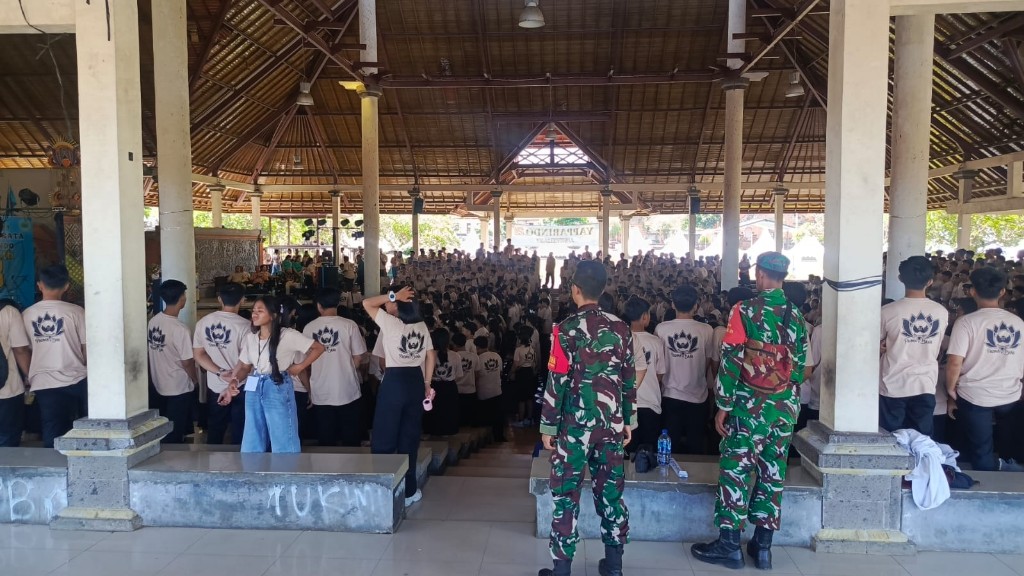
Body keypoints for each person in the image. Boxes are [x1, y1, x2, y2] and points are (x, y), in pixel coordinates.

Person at [692, 251, 807, 571]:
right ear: (782, 276)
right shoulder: (796, 316)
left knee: (736, 470)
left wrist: (724, 405)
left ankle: (729, 545)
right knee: (773, 474)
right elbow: (799, 369)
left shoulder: (745, 310)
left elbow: (730, 361)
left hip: (748, 407)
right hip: (783, 410)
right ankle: (763, 546)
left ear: (758, 274)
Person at [537, 260, 637, 576]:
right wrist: (628, 422)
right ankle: (614, 565)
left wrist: (548, 426)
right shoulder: (622, 329)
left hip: (573, 428)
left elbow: (557, 382)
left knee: (566, 494)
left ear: (575, 290)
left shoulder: (564, 330)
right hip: (611, 425)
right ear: (603, 289)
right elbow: (628, 379)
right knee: (611, 491)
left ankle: (562, 568)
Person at [946, 266, 1024, 471]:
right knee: (1008, 443)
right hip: (1011, 393)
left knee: (981, 448)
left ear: (972, 291)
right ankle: (1009, 475)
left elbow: (955, 362)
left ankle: (987, 482)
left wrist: (951, 391)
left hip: (975, 395)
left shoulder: (965, 322)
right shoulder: (1018, 322)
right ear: (1002, 292)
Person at [364, 285, 436, 506]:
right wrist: (427, 383)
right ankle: (409, 492)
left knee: (385, 438)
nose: (386, 303)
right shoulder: (421, 326)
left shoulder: (390, 323)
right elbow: (430, 356)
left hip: (394, 380)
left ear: (397, 303)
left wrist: (392, 295)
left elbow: (367, 303)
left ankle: (382, 491)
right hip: (415, 380)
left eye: (390, 300)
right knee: (409, 437)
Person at [226, 296, 324, 453]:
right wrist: (235, 380)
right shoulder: (251, 338)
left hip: (277, 383)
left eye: (260, 311)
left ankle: (286, 474)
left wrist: (300, 367)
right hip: (254, 382)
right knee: (252, 432)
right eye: (253, 311)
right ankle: (253, 472)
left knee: (283, 433)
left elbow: (318, 348)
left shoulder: (288, 335)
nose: (254, 314)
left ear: (273, 315)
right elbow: (245, 366)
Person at [879, 256, 948, 436]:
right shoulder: (941, 312)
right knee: (922, 440)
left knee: (891, 439)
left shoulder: (888, 311)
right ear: (931, 281)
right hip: (925, 383)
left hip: (893, 383)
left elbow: (874, 344)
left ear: (901, 278)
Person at [22, 265, 88, 448]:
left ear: (39, 285)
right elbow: (86, 347)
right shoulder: (76, 312)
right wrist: (83, 364)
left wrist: (31, 373)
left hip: (44, 381)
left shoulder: (27, 315)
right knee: (85, 422)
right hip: (77, 377)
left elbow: (24, 349)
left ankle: (54, 465)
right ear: (66, 286)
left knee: (52, 425)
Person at [303, 289, 367, 447]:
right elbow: (359, 356)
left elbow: (305, 362)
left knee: (326, 436)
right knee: (351, 435)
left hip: (320, 389)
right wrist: (347, 369)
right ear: (337, 304)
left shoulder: (309, 328)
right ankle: (352, 469)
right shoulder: (349, 325)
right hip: (348, 388)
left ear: (318, 306)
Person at [655, 285, 714, 455]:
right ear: (696, 306)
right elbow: (707, 362)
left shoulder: (662, 328)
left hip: (670, 395)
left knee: (669, 445)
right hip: (698, 396)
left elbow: (659, 363)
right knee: (696, 444)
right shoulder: (706, 330)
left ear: (672, 304)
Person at [192, 282, 251, 445]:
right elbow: (246, 362)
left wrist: (219, 372)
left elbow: (198, 354)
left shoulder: (203, 322)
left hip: (216, 384)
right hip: (241, 385)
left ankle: (213, 463)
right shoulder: (246, 327)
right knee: (240, 429)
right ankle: (240, 465)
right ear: (243, 300)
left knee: (216, 428)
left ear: (219, 299)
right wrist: (233, 378)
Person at [147, 280, 198, 444]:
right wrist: (195, 380)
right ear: (182, 298)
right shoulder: (180, 329)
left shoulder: (153, 321)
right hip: (178, 385)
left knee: (164, 427)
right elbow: (188, 362)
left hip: (159, 382)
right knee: (175, 431)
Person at [622, 296, 661, 453]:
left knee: (628, 451)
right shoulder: (656, 342)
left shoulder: (621, 339)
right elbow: (660, 375)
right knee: (648, 453)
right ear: (645, 317)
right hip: (651, 403)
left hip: (627, 404)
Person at [0, 299, 31, 447]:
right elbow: (20, 350)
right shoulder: (8, 311)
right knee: (7, 439)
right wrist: (29, 375)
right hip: (7, 389)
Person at [424, 328, 462, 436]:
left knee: (434, 412)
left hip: (433, 387)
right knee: (449, 411)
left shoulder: (428, 356)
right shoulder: (455, 356)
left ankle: (433, 431)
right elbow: (459, 375)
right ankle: (449, 430)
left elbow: (425, 374)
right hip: (450, 387)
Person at [475, 335, 505, 442]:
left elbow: (476, 376)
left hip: (483, 393)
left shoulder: (478, 359)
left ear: (477, 347)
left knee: (485, 419)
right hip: (497, 390)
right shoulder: (497, 356)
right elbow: (500, 373)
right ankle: (499, 437)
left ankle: (486, 440)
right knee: (498, 418)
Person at [452, 333, 480, 428]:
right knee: (469, 419)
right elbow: (477, 375)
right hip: (471, 390)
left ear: (454, 344)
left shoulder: (453, 356)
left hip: (457, 390)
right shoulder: (474, 356)